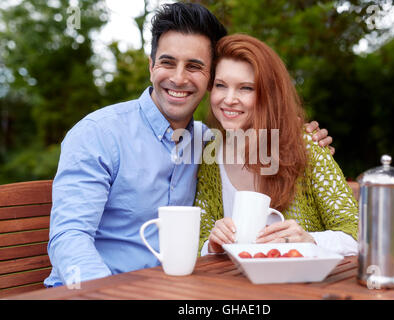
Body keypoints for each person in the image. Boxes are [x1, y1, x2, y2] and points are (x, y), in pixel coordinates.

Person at [44, 3, 333, 287]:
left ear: (210, 80)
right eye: (167, 62)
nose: (179, 78)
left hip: (176, 290)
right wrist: (106, 294)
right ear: (151, 66)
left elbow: (270, 143)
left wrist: (304, 140)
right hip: (99, 291)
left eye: (194, 66)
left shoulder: (208, 143)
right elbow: (69, 237)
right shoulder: (99, 134)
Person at [195, 34, 359, 257]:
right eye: (221, 85)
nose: (229, 98)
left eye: (246, 88)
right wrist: (212, 245)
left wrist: (310, 240)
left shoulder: (308, 148)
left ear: (268, 95)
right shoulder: (210, 156)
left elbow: (357, 235)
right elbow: (199, 243)